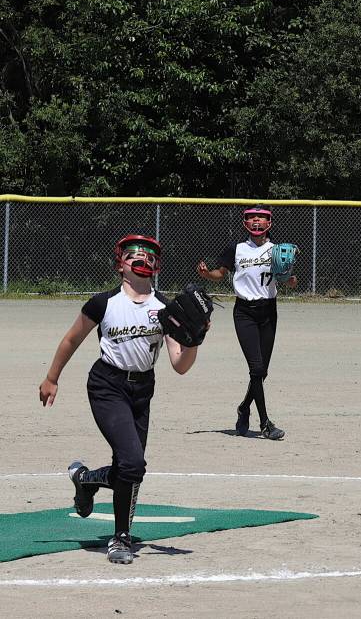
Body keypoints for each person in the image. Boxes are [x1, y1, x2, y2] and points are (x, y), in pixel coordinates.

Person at [38, 235, 202, 564]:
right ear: (120, 263)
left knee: (130, 468)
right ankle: (120, 538)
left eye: (149, 255)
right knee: (133, 464)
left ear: (158, 266)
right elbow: (71, 339)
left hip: (142, 390)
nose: (141, 259)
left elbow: (180, 364)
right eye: (133, 254)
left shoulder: (166, 310)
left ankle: (84, 480)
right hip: (106, 385)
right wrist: (52, 377)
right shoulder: (104, 302)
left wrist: (195, 338)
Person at [196, 206, 296, 440]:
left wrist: (290, 279)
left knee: (263, 372)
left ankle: (243, 407)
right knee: (256, 369)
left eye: (261, 217)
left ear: (269, 222)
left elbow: (290, 280)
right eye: (252, 217)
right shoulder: (237, 248)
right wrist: (207, 275)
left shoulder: (277, 250)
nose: (256, 221)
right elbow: (221, 273)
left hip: (269, 311)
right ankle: (265, 423)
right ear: (245, 222)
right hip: (245, 313)